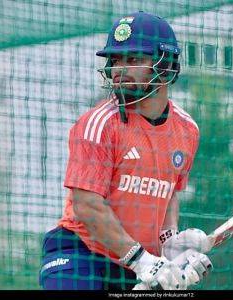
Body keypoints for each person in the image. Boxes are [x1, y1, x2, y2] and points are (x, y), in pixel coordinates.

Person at [39, 11, 213, 290]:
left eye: (133, 60)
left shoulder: (187, 130)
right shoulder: (98, 124)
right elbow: (87, 206)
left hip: (135, 259)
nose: (119, 69)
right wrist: (143, 261)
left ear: (166, 65)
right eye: (115, 60)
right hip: (81, 253)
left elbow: (168, 193)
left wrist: (169, 241)